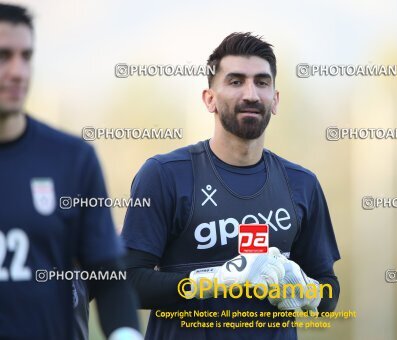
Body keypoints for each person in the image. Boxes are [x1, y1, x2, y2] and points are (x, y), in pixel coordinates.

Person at [122, 32, 341, 339]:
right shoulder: (165, 175)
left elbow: (329, 290)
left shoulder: (302, 183)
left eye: (262, 82)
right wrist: (216, 279)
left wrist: (307, 288)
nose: (251, 94)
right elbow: (127, 282)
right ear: (209, 99)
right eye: (236, 81)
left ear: (275, 100)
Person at [0, 4, 142, 339]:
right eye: (4, 55)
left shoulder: (72, 159)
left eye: (26, 56)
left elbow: (108, 278)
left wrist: (125, 335)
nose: (18, 71)